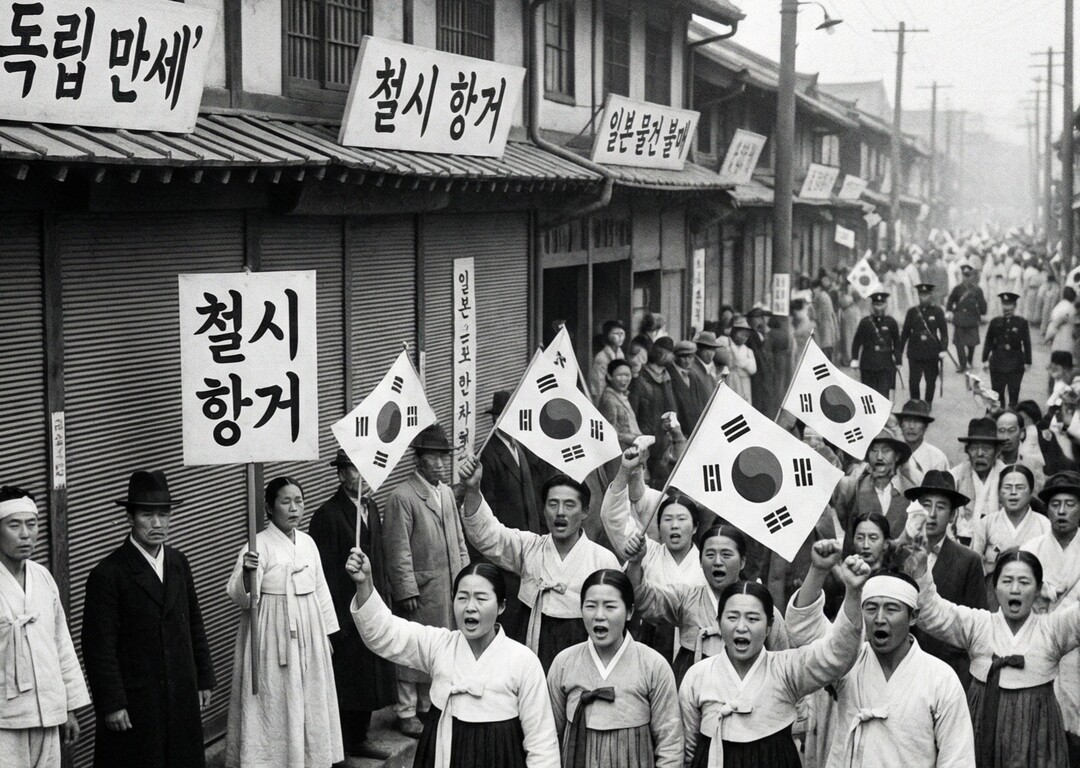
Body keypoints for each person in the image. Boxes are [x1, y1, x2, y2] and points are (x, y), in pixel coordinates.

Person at [348, 555, 560, 768]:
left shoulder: (523, 661)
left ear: (502, 606)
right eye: (462, 597)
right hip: (442, 751)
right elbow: (387, 633)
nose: (470, 606)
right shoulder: (440, 645)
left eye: (481, 598)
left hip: (499, 757)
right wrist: (364, 583)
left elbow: (541, 743)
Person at [787, 542, 976, 768]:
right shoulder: (847, 661)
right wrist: (818, 570)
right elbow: (804, 628)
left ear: (913, 616)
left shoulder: (940, 678)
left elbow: (958, 759)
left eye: (891, 609)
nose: (879, 618)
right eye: (871, 608)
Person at [82, 470, 215, 768]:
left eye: (164, 514)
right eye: (147, 515)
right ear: (130, 518)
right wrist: (112, 703)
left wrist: (203, 677)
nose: (157, 524)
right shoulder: (109, 573)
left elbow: (194, 621)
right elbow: (98, 646)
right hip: (136, 700)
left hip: (180, 690)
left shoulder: (179, 562)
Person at [679, 560, 869, 767]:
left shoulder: (786, 668)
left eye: (752, 619)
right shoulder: (698, 675)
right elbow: (688, 747)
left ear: (769, 627)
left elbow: (836, 656)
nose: (741, 627)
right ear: (718, 622)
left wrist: (853, 592)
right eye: (732, 617)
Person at [909, 546, 1080, 768]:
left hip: (1038, 730)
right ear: (995, 586)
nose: (1015, 589)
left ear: (1038, 589)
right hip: (982, 724)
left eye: (1024, 582)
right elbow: (932, 612)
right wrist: (921, 570)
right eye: (1007, 581)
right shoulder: (979, 625)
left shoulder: (1053, 630)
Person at [459, 457, 619, 672]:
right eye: (553, 504)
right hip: (531, 645)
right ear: (544, 509)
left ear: (585, 512)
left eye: (569, 504)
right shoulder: (530, 547)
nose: (560, 512)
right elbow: (488, 535)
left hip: (581, 651)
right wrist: (472, 489)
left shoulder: (602, 560)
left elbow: (615, 619)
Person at [225, 477, 342, 768]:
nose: (293, 508)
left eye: (299, 501)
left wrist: (327, 633)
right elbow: (239, 596)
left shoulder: (308, 542)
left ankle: (309, 759)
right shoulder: (258, 545)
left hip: (309, 627)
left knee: (310, 696)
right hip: (271, 628)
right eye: (285, 501)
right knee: (274, 698)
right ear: (269, 506)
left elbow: (320, 588)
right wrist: (248, 574)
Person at [308, 450, 396, 761]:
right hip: (343, 610)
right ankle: (342, 743)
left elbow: (380, 556)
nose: (362, 476)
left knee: (370, 674)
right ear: (341, 475)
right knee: (348, 679)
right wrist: (335, 620)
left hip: (369, 600)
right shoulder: (327, 515)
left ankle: (360, 735)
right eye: (354, 470)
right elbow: (324, 573)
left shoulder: (370, 507)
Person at [382, 424, 470, 736]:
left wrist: (465, 576)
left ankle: (427, 706)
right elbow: (397, 548)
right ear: (418, 460)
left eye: (443, 458)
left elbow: (458, 538)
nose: (440, 464)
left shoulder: (445, 492)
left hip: (446, 584)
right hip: (420, 587)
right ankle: (406, 712)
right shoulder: (402, 497)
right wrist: (405, 588)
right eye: (433, 458)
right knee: (411, 648)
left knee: (439, 646)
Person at [625, 523, 791, 686]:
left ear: (742, 562)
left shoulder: (763, 610)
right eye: (710, 555)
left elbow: (783, 668)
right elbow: (642, 597)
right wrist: (635, 562)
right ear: (700, 561)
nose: (717, 562)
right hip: (693, 690)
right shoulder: (686, 597)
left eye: (726, 555)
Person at [547, 570, 682, 768]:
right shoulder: (564, 663)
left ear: (629, 611)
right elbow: (548, 736)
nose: (599, 616)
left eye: (610, 607)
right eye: (591, 606)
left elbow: (670, 744)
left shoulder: (653, 665)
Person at [0, 487, 89, 768]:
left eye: (32, 524)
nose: (25, 534)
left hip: (47, 716)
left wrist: (69, 708)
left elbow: (61, 643)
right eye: (14, 525)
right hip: (5, 720)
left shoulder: (43, 577)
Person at [600, 448, 708, 661]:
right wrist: (624, 472)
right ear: (658, 526)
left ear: (695, 527)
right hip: (647, 641)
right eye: (667, 519)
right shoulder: (646, 551)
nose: (674, 526)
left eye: (681, 519)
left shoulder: (707, 563)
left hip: (694, 648)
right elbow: (613, 519)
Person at [904, 470, 987, 688]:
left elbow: (977, 623)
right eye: (925, 505)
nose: (931, 514)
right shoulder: (899, 555)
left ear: (952, 516)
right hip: (904, 667)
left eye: (940, 507)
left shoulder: (968, 560)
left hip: (950, 670)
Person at [480, 391, 548, 642]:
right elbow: (489, 510)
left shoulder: (518, 447)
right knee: (508, 618)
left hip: (528, 549)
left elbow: (531, 499)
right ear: (496, 419)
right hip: (507, 552)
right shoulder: (488, 455)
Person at [1024, 472, 1080, 764]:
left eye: (1069, 503)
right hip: (1040, 653)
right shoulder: (1030, 551)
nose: (1061, 511)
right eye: (1055, 503)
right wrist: (1034, 594)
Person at [970, 465, 1051, 607]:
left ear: (1031, 491)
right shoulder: (986, 523)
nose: (1013, 493)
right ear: (999, 493)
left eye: (1020, 487)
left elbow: (1051, 567)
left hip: (1033, 598)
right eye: (1007, 487)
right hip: (993, 596)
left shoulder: (1044, 524)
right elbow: (974, 566)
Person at [833, 425, 914, 540]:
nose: (879, 457)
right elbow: (845, 524)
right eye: (874, 450)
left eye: (886, 451)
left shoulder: (910, 493)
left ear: (897, 456)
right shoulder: (852, 488)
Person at [951, 417, 1008, 546]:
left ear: (997, 451)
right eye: (974, 448)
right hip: (962, 542)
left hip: (999, 544)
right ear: (967, 450)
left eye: (987, 448)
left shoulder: (1007, 475)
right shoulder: (957, 475)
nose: (980, 453)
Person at [900, 281, 950, 405]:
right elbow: (905, 332)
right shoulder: (912, 312)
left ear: (930, 295)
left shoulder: (938, 311)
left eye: (926, 295)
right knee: (914, 381)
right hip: (915, 351)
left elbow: (944, 332)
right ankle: (916, 403)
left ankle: (928, 403)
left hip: (931, 352)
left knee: (931, 380)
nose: (924, 297)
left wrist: (943, 349)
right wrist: (898, 352)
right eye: (921, 295)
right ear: (918, 296)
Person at [983, 291, 1032, 408]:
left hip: (1015, 364)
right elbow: (988, 341)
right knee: (997, 395)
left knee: (1014, 394)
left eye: (1009, 304)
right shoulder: (995, 322)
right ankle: (999, 418)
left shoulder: (1021, 323)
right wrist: (984, 359)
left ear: (1015, 306)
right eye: (1004, 304)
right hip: (997, 363)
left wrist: (1028, 361)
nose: (1006, 308)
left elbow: (1027, 342)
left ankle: (1012, 417)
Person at [850, 291, 902, 398]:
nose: (879, 308)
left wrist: (898, 360)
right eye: (876, 304)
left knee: (883, 395)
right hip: (868, 365)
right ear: (872, 306)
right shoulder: (865, 322)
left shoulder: (891, 322)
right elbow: (857, 341)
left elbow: (897, 342)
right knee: (869, 396)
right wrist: (854, 358)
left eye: (881, 304)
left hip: (885, 365)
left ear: (886, 305)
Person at [895, 399, 949, 486]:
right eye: (907, 420)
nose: (911, 426)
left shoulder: (937, 459)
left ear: (925, 426)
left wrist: (909, 472)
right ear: (901, 424)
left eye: (917, 421)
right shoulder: (893, 454)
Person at [946, 261, 988, 373]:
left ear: (972, 276)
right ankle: (963, 365)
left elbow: (983, 304)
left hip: (972, 319)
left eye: (969, 275)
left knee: (972, 343)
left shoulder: (977, 290)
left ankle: (969, 361)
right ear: (962, 276)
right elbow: (950, 300)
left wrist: (983, 313)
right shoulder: (957, 289)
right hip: (959, 319)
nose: (966, 278)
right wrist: (949, 311)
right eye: (965, 275)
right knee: (959, 343)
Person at [598, 359, 643, 452]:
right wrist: (633, 439)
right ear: (610, 376)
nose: (624, 379)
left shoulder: (623, 395)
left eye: (627, 375)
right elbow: (609, 432)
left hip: (633, 449)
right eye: (620, 375)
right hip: (620, 451)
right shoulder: (609, 399)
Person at [996, 409, 1047, 491]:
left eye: (1011, 431)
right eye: (1001, 431)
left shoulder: (1033, 462)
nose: (1006, 437)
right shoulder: (990, 463)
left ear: (1022, 433)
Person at [668, 341, 710, 436]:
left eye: (690, 357)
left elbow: (703, 400)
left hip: (695, 429)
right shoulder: (669, 375)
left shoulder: (693, 375)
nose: (687, 360)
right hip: (680, 430)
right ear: (676, 357)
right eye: (683, 357)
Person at [722, 316, 757, 402]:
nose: (744, 337)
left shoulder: (748, 351)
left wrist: (744, 363)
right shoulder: (724, 342)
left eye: (746, 335)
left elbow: (753, 369)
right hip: (728, 381)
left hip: (744, 383)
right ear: (733, 331)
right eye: (741, 333)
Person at [590, 320, 626, 403]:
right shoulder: (601, 357)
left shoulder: (620, 354)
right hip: (605, 398)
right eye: (616, 334)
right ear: (607, 335)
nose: (620, 337)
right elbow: (598, 385)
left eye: (622, 333)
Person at [1044, 287, 1076, 361]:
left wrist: (1048, 337)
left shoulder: (1060, 305)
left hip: (1059, 336)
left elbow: (1054, 323)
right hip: (1066, 337)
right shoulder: (1071, 307)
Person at [811, 278, 839, 362]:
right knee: (827, 343)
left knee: (825, 344)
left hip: (825, 323)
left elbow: (819, 314)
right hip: (827, 323)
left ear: (818, 288)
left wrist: (815, 318)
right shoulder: (824, 295)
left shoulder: (822, 297)